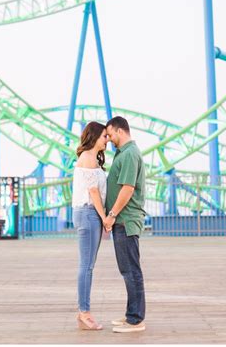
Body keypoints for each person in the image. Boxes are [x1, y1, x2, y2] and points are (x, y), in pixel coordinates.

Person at [104, 116, 146, 333]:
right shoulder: (124, 154)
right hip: (122, 220)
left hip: (125, 220)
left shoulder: (129, 154)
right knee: (127, 270)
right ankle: (132, 314)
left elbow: (128, 188)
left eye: (110, 135)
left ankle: (136, 320)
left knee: (131, 271)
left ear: (120, 131)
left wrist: (111, 214)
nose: (109, 139)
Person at [72, 121, 108, 330]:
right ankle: (84, 312)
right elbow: (93, 191)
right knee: (86, 266)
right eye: (104, 136)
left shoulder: (90, 157)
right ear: (94, 137)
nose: (107, 140)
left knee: (88, 265)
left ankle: (83, 311)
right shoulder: (87, 158)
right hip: (88, 213)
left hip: (88, 213)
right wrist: (104, 218)